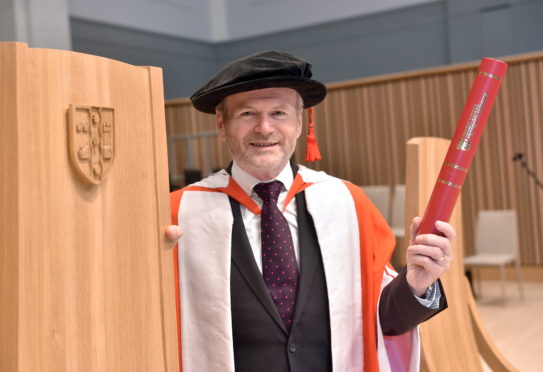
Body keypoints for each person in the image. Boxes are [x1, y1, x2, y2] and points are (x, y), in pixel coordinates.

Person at [165, 50, 454, 372]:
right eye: (247, 114)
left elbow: (385, 320)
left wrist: (416, 283)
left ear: (300, 122)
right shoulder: (179, 214)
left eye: (278, 113)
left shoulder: (348, 203)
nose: (264, 128)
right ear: (222, 124)